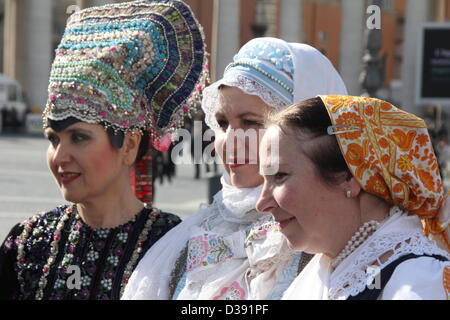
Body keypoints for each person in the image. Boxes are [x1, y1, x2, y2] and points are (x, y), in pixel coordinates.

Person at [0, 0, 208, 300]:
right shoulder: (28, 244)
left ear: (130, 145)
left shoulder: (174, 247)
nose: (59, 157)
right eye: (53, 139)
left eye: (79, 138)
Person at [122, 37, 348, 299]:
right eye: (222, 123)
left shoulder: (337, 241)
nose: (230, 141)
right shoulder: (179, 243)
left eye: (251, 122)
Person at [257, 95, 450, 300]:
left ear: (350, 177)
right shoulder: (326, 271)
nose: (262, 203)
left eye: (280, 176)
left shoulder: (418, 281)